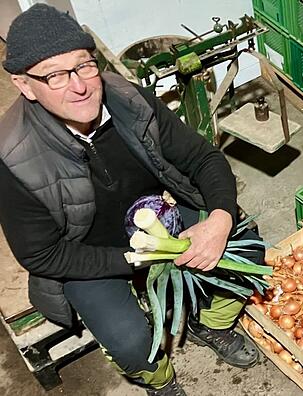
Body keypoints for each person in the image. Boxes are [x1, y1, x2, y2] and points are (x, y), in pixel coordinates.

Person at [0, 5, 262, 395]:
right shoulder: (13, 156)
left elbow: (202, 157)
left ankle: (211, 323)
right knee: (130, 341)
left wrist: (221, 217)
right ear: (25, 85)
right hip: (89, 255)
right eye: (55, 75)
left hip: (161, 218)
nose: (79, 85)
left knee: (248, 250)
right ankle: (158, 380)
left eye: (84, 66)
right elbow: (41, 256)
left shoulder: (128, 100)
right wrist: (138, 259)